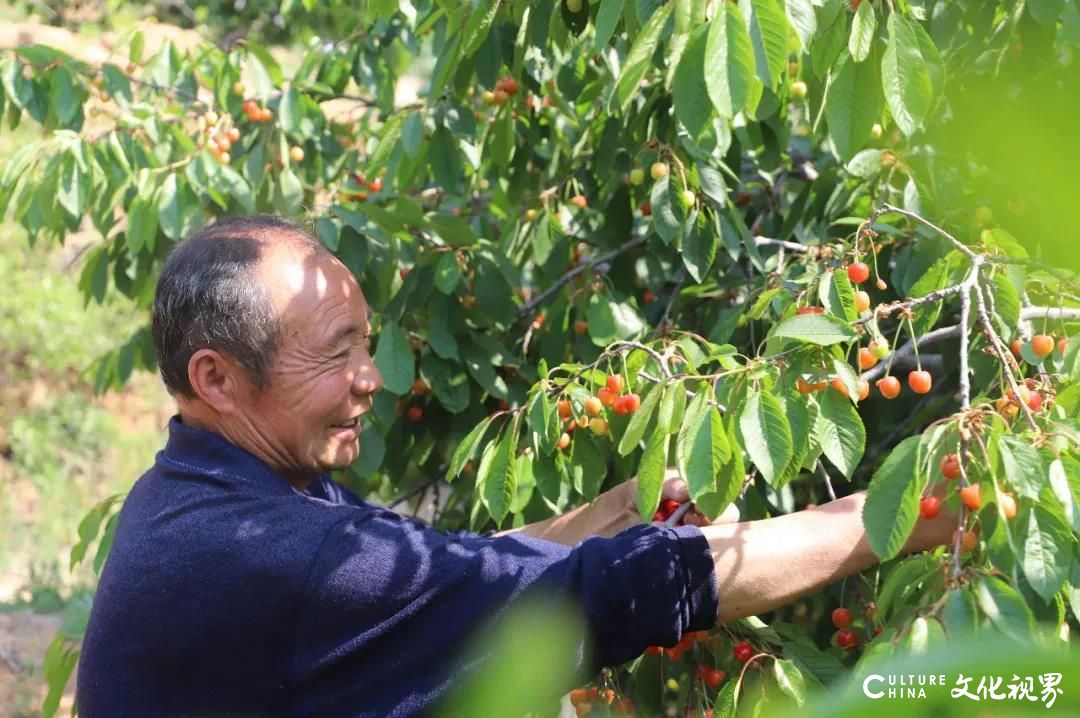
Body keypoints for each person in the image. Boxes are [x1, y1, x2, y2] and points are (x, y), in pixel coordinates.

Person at [76, 215, 954, 717]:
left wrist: (618, 507)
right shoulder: (275, 553)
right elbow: (600, 597)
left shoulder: (200, 493)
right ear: (216, 378)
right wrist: (915, 509)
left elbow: (447, 576)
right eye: (337, 354)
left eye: (368, 345)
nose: (372, 380)